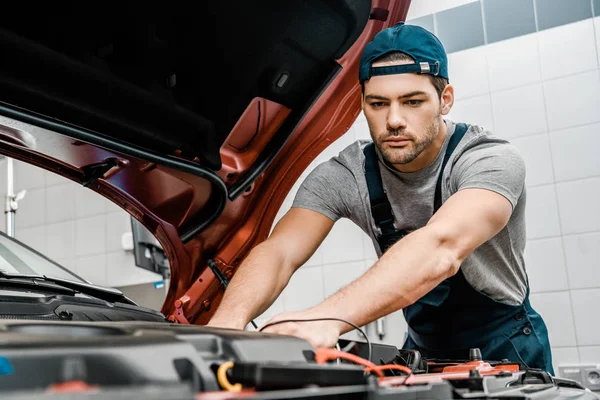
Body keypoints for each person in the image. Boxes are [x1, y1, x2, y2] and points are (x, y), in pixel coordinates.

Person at [207, 22, 553, 374]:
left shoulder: (489, 160)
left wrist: (326, 319)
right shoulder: (346, 174)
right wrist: (227, 323)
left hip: (508, 346)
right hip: (422, 349)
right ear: (361, 104)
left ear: (444, 99)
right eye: (378, 103)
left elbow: (440, 248)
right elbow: (279, 253)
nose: (394, 120)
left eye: (412, 101)